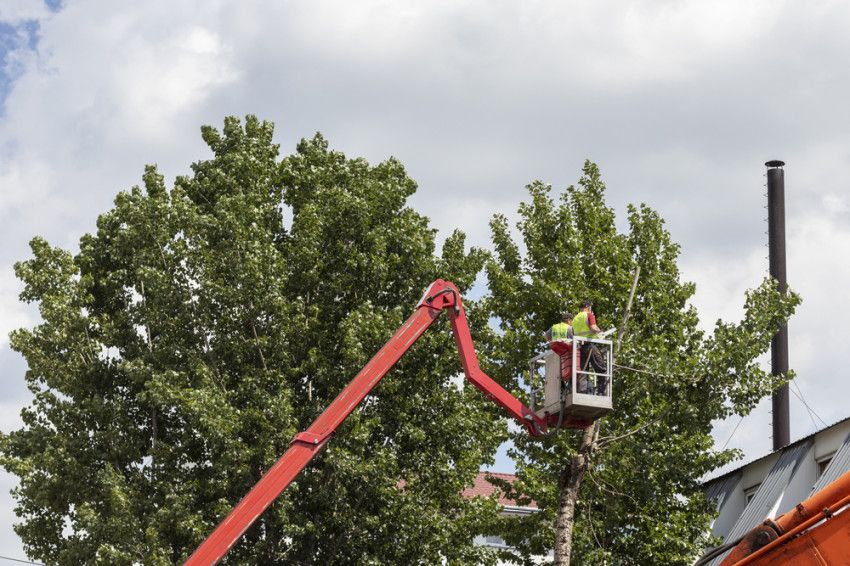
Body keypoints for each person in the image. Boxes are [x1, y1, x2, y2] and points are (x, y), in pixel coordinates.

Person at [572, 300, 608, 395]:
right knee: (602, 369)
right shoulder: (589, 315)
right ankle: (601, 392)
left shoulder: (575, 318)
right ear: (588, 307)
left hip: (581, 347)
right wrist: (600, 332)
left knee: (583, 371)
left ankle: (582, 392)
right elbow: (593, 328)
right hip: (590, 345)